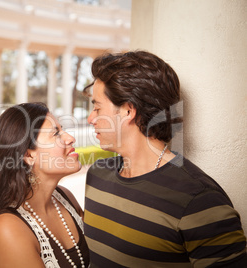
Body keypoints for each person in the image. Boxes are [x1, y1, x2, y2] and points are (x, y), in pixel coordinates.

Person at [83, 51, 247, 267]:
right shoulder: (97, 175)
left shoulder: (198, 199)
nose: (90, 118)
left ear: (128, 110)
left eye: (97, 108)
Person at [0, 102, 90, 268]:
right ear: (28, 155)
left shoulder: (65, 198)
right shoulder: (6, 229)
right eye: (56, 133)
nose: (70, 138)